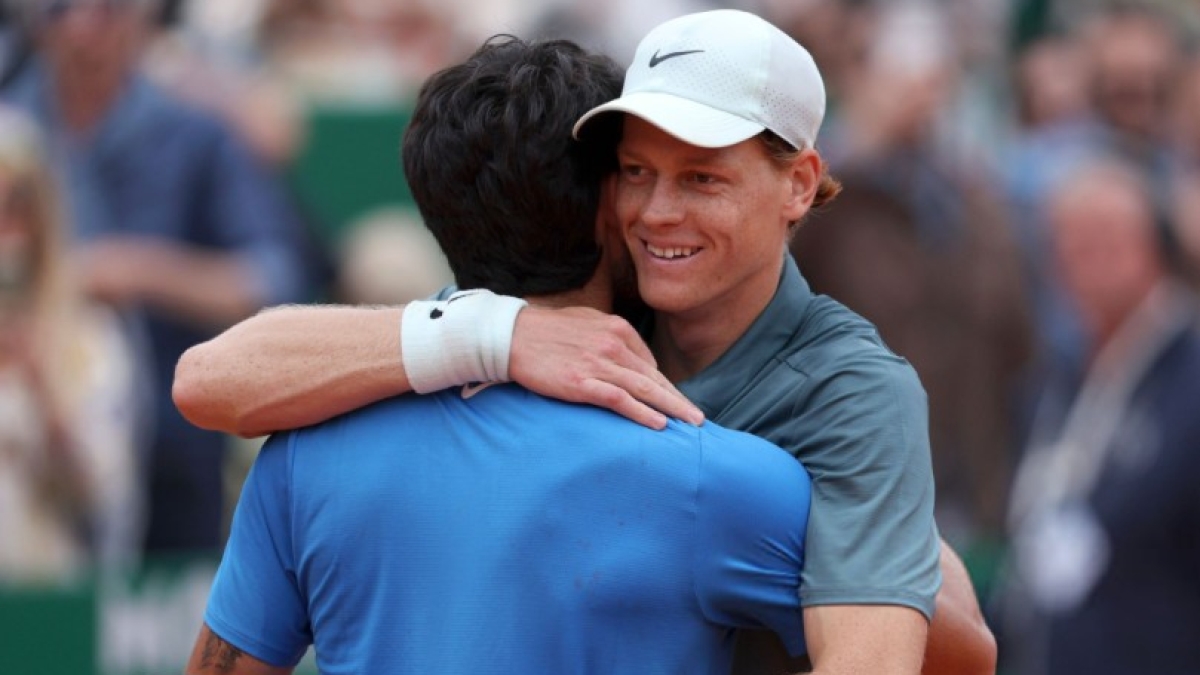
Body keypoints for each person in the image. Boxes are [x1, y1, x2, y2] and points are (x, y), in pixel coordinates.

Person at [175, 9, 996, 675]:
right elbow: (209, 378)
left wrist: (890, 545)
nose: (657, 212)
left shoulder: (847, 399)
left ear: (799, 182)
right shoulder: (552, 337)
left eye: (701, 176)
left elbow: (934, 653)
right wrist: (503, 334)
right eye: (635, 172)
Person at [2, 0, 316, 555]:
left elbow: (274, 279)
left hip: (172, 432)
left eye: (104, 10)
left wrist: (140, 271)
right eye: (58, 10)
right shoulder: (14, 131)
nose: (80, 29)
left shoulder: (194, 134)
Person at [1002, 156, 1200, 675]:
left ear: (1157, 242)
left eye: (1107, 234)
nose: (1085, 254)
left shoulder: (1188, 371)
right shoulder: (1052, 381)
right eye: (1068, 239)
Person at [0, 105, 139, 579]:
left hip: (51, 604)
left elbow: (102, 497)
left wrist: (42, 390)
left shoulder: (90, 339)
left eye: (16, 206)